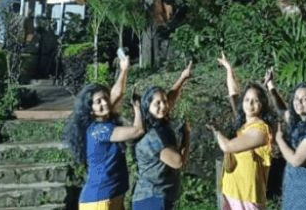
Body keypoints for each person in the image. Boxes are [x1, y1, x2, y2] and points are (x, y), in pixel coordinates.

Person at [65, 53, 143, 210]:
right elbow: (137, 131)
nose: (104, 103)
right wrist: (138, 109)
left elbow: (116, 93)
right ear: (90, 109)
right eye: (97, 102)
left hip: (111, 197)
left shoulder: (99, 121)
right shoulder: (99, 130)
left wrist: (124, 70)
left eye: (105, 99)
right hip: (99, 201)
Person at [209, 53, 274, 210]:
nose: (250, 103)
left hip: (248, 196)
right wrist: (229, 69)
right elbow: (234, 93)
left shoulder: (261, 130)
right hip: (231, 191)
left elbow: (227, 147)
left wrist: (217, 130)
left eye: (255, 100)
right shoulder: (244, 124)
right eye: (247, 100)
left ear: (262, 105)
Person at [132, 63, 194, 210]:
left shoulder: (153, 122)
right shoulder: (153, 137)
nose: (164, 106)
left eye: (164, 102)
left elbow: (169, 98)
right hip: (152, 200)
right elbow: (178, 161)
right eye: (157, 103)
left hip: (156, 197)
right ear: (148, 107)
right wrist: (186, 134)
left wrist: (182, 78)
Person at [267, 72, 306, 210]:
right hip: (292, 190)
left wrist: (279, 140)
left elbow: (296, 160)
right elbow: (282, 110)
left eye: (304, 99)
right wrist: (271, 86)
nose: (299, 102)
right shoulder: (297, 123)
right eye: (296, 98)